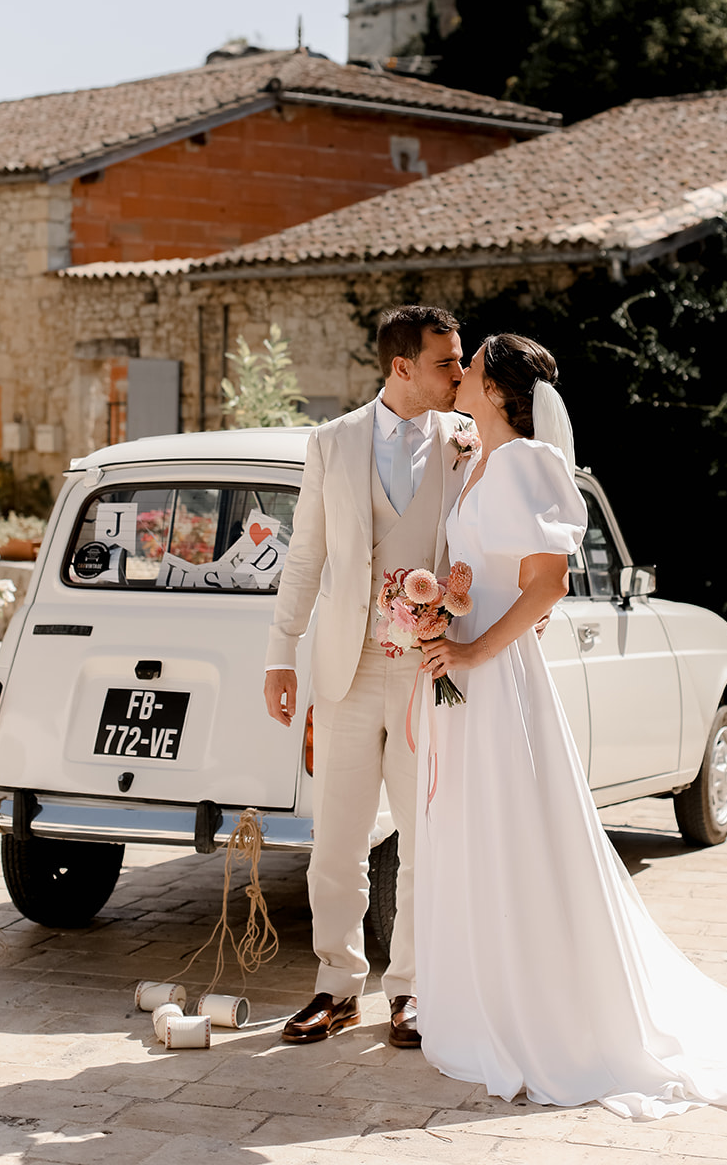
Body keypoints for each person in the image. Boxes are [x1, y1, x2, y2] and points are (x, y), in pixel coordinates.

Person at [414, 331, 727, 1119]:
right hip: (473, 671)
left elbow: (545, 586)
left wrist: (469, 651)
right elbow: (489, 576)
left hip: (498, 680)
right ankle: (476, 1003)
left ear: (498, 391)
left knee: (512, 831)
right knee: (474, 831)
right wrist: (441, 612)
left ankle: (546, 1022)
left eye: (469, 369)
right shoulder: (482, 461)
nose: (459, 375)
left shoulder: (530, 464)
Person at [264, 304, 468, 1047]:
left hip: (428, 669)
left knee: (422, 841)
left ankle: (410, 991)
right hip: (344, 667)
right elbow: (305, 555)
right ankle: (335, 987)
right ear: (400, 366)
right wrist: (278, 653)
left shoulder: (465, 443)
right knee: (337, 842)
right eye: (446, 362)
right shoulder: (332, 441)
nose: (460, 371)